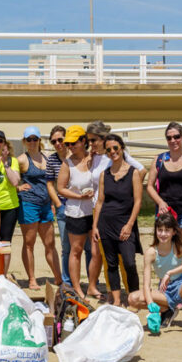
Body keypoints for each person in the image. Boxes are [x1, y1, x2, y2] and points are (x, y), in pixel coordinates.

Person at [129, 212, 182, 337]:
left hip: (181, 290)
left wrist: (170, 272)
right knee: (132, 298)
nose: (163, 234)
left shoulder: (178, 246)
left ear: (174, 232)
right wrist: (152, 306)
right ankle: (166, 310)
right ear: (156, 231)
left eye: (167, 230)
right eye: (160, 230)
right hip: (164, 292)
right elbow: (146, 285)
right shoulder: (151, 252)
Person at [92, 134, 143, 306]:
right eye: (109, 150)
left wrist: (129, 225)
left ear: (121, 148)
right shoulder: (104, 175)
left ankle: (134, 299)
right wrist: (95, 226)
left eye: (115, 148)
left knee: (129, 263)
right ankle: (116, 300)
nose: (112, 152)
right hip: (106, 224)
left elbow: (138, 202)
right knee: (111, 264)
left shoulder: (133, 173)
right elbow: (100, 202)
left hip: (125, 224)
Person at [57, 125, 103, 302]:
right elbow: (60, 188)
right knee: (75, 251)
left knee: (95, 251)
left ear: (83, 141)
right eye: (68, 143)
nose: (70, 146)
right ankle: (76, 287)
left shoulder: (95, 159)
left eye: (73, 142)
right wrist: (79, 196)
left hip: (95, 212)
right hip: (76, 212)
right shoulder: (67, 164)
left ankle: (92, 285)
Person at [17, 126, 61, 289]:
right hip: (29, 204)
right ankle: (32, 279)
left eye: (35, 139)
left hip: (45, 205)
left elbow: (50, 183)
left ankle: (58, 278)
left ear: (39, 141)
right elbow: (10, 178)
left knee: (50, 243)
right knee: (29, 243)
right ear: (25, 141)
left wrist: (52, 202)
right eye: (29, 139)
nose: (32, 142)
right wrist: (18, 188)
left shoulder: (46, 158)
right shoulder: (22, 159)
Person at [46, 125, 89, 288]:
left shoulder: (80, 156)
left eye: (60, 140)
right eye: (54, 141)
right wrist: (58, 204)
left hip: (85, 206)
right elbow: (50, 184)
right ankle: (68, 281)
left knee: (89, 247)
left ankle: (91, 281)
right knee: (66, 246)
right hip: (64, 206)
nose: (58, 143)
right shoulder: (52, 159)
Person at [146, 122, 182, 237]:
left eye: (176, 137)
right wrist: (160, 202)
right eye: (169, 138)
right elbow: (149, 186)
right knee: (165, 248)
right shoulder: (159, 160)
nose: (173, 140)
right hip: (164, 211)